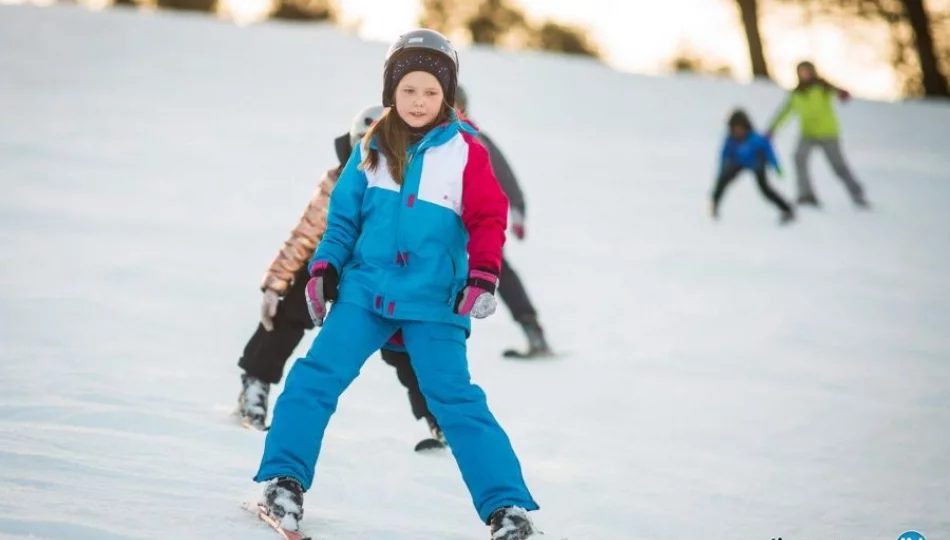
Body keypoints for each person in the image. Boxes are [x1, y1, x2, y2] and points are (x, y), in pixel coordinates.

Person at [252, 29, 540, 539]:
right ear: (391, 91)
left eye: (431, 91)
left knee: (456, 402)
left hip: (434, 302)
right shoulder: (371, 146)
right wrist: (324, 268)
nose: (419, 101)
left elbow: (488, 218)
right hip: (366, 292)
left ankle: (508, 510)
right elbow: (341, 220)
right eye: (409, 90)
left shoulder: (466, 151)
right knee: (315, 377)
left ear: (447, 95)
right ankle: (282, 480)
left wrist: (483, 274)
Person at [236, 105, 389, 430]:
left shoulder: (401, 184)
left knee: (410, 338)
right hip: (329, 267)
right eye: (364, 146)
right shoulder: (337, 182)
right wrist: (275, 283)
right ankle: (255, 383)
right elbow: (305, 234)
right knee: (294, 305)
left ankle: (438, 419)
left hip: (377, 274)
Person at [766, 60, 869, 208]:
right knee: (799, 158)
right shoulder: (796, 94)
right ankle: (806, 195)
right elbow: (784, 112)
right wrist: (772, 129)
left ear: (812, 72)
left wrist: (842, 94)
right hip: (808, 134)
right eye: (801, 72)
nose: (804, 74)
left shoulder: (822, 87)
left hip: (828, 134)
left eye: (806, 71)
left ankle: (857, 193)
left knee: (838, 166)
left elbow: (837, 92)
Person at [711, 109, 795, 224]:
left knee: (765, 190)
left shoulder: (756, 139)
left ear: (746, 127)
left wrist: (776, 167)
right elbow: (724, 154)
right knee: (722, 181)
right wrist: (722, 168)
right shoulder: (730, 140)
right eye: (735, 129)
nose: (737, 132)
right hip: (738, 163)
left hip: (756, 164)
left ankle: (787, 209)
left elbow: (768, 151)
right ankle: (714, 205)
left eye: (740, 128)